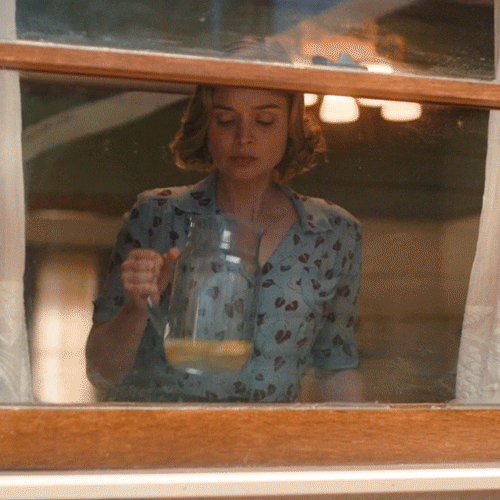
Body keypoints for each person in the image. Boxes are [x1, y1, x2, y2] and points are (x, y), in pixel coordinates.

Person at [86, 40, 363, 403]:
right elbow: (101, 372)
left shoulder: (332, 232)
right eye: (226, 120)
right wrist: (137, 307)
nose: (244, 137)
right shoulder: (159, 215)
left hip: (271, 438)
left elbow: (337, 368)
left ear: (290, 126)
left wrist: (362, 436)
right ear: (207, 126)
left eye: (265, 121)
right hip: (163, 434)